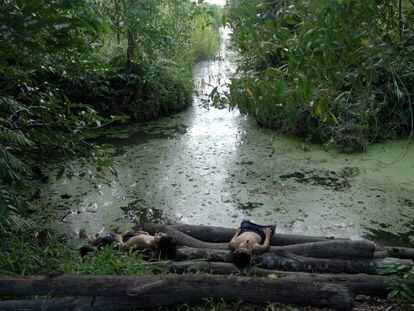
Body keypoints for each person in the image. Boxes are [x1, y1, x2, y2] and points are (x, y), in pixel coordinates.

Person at [79, 229, 174, 257]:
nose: (160, 233)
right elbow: (151, 239)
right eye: (162, 234)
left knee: (105, 238)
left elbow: (122, 247)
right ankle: (94, 239)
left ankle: (89, 240)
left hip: (123, 245)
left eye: (161, 236)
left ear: (157, 244)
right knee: (125, 231)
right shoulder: (152, 241)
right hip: (132, 239)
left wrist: (118, 236)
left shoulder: (142, 241)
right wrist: (147, 234)